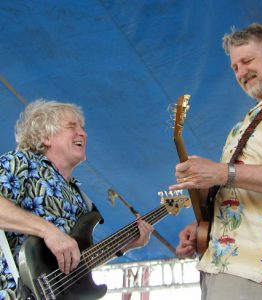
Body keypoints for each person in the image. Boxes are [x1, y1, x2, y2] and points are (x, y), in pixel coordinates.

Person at [169, 23, 262, 299]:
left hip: (260, 270)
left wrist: (222, 172)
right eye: (235, 68)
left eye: (247, 61)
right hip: (219, 266)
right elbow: (237, 187)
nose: (241, 72)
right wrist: (204, 224)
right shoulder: (240, 127)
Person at [0, 100, 153, 299]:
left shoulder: (80, 197)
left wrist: (125, 246)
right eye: (72, 126)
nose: (83, 133)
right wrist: (48, 231)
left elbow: (76, 263)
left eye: (82, 128)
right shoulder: (21, 161)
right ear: (45, 136)